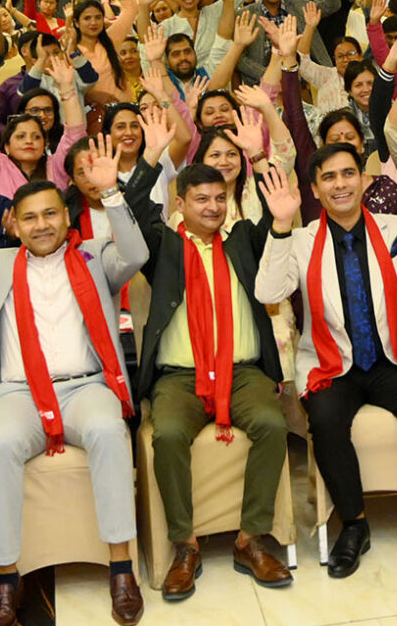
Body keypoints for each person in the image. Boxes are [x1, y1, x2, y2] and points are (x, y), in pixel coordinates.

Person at [0, 163, 149, 626]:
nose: (41, 225)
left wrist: (111, 192)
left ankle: (121, 568)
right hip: (19, 392)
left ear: (65, 216)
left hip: (86, 386)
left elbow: (137, 252)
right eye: (29, 217)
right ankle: (5, 577)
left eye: (50, 214)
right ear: (14, 224)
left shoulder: (94, 256)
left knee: (109, 432)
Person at [254, 142, 397, 584]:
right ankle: (354, 524)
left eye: (348, 174)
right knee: (325, 417)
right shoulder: (301, 240)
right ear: (315, 190)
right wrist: (279, 226)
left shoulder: (394, 228)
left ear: (362, 179)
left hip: (392, 356)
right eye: (329, 177)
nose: (340, 184)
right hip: (332, 362)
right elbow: (268, 292)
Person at [126, 159, 294, 600]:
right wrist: (150, 157)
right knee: (168, 435)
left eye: (220, 198)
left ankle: (250, 539)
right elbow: (132, 208)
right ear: (180, 203)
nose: (213, 207)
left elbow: (274, 220)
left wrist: (261, 160)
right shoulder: (164, 248)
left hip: (243, 372)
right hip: (179, 378)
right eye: (201, 199)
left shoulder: (241, 242)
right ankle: (186, 545)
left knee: (272, 424)